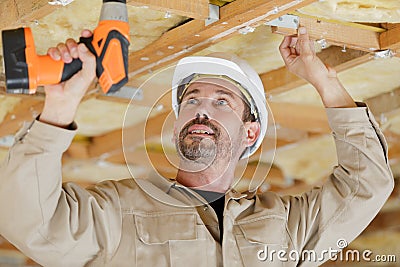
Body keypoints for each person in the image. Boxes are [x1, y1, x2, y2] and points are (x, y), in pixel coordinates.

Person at [0, 27, 393, 267]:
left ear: (250, 134)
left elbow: (367, 186)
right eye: (192, 100)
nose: (201, 110)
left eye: (222, 101)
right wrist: (60, 107)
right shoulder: (117, 214)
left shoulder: (286, 229)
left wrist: (325, 81)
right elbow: (30, 223)